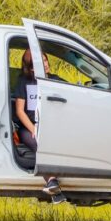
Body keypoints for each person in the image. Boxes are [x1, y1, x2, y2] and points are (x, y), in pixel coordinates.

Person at [14, 49, 66, 204]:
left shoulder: (55, 80)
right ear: (31, 68)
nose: (45, 64)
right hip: (28, 127)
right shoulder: (24, 82)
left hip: (49, 126)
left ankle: (52, 185)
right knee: (39, 143)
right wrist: (34, 129)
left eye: (45, 60)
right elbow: (19, 111)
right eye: (40, 61)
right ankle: (51, 180)